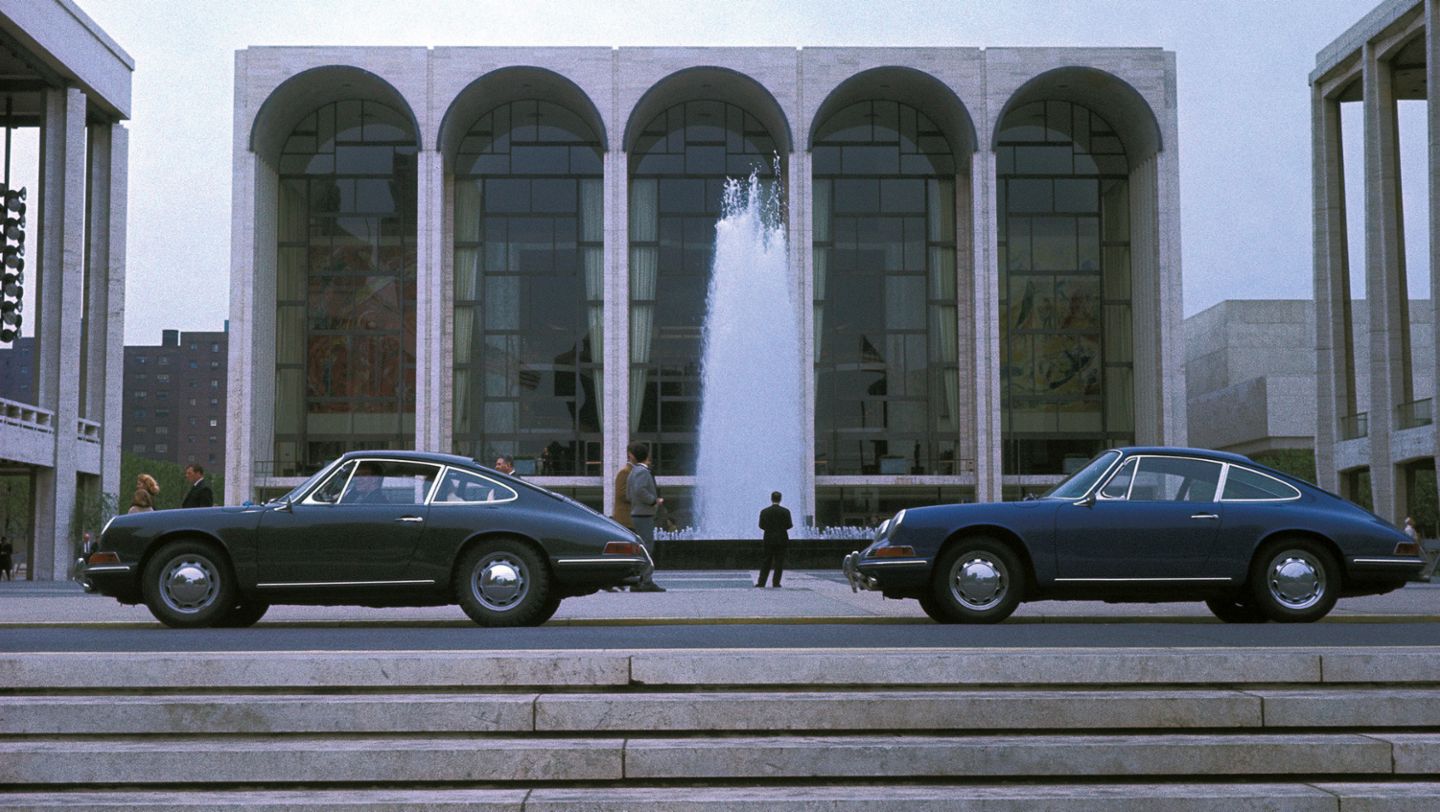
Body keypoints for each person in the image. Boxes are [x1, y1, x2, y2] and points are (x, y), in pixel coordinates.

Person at [624, 441, 666, 593]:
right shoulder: (642, 472)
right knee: (647, 548)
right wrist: (654, 500)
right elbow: (640, 490)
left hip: (637, 512)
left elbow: (629, 494)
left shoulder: (633, 472)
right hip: (643, 514)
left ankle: (638, 580)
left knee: (641, 548)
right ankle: (645, 581)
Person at [757, 490, 793, 588]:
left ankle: (761, 582)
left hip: (768, 539)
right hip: (782, 539)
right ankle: (776, 583)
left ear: (771, 499)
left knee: (766, 561)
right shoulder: (785, 511)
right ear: (780, 499)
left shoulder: (764, 511)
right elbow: (789, 525)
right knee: (779, 562)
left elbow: (761, 525)